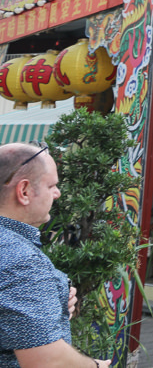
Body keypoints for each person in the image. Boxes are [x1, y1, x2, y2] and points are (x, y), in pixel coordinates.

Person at [0, 141, 111, 368]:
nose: (58, 194)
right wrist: (95, 366)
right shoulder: (21, 259)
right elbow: (47, 360)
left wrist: (51, 301)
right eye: (52, 186)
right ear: (24, 191)